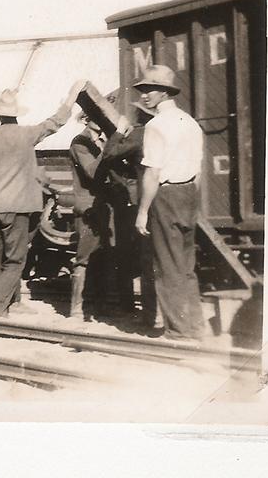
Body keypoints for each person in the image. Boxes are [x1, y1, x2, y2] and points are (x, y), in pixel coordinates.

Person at [0, 82, 84, 319]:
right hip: (18, 207)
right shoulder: (28, 134)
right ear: (16, 114)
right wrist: (72, 94)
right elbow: (56, 122)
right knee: (15, 260)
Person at [134, 65, 205, 340]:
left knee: (167, 266)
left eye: (149, 89)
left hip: (166, 195)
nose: (144, 95)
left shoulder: (155, 125)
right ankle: (195, 326)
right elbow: (198, 170)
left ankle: (179, 331)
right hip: (188, 193)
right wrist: (190, 199)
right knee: (186, 265)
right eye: (142, 90)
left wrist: (142, 212)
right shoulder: (190, 122)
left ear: (164, 92)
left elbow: (152, 172)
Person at [101, 102, 160, 327]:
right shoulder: (167, 130)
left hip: (140, 202)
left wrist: (118, 132)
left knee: (137, 257)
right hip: (164, 199)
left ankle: (146, 315)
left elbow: (109, 155)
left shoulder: (141, 134)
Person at [69, 114, 115, 319]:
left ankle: (101, 306)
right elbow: (92, 171)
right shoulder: (80, 142)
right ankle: (76, 308)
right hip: (88, 207)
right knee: (84, 257)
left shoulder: (102, 140)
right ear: (87, 119)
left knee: (103, 257)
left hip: (103, 206)